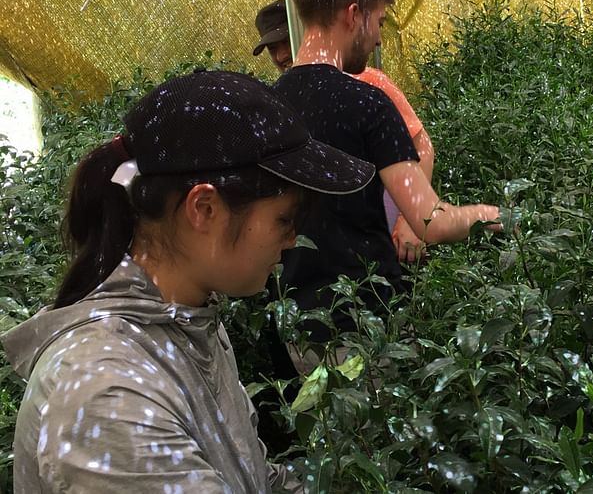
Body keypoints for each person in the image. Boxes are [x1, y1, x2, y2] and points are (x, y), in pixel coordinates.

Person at [1, 70, 375, 493]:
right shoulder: (108, 394)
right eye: (285, 219)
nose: (292, 240)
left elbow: (254, 478)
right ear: (204, 208)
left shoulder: (188, 321)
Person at [273, 0, 501, 353]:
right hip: (363, 320)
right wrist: (497, 215)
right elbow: (431, 222)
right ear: (353, 14)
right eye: (378, 21)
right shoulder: (368, 103)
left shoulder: (267, 104)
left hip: (294, 325)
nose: (378, 37)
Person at [253, 0, 434, 258]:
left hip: (379, 248)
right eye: (272, 48)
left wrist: (412, 220)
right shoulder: (279, 101)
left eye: (285, 41)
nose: (281, 55)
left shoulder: (369, 83)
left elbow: (422, 146)